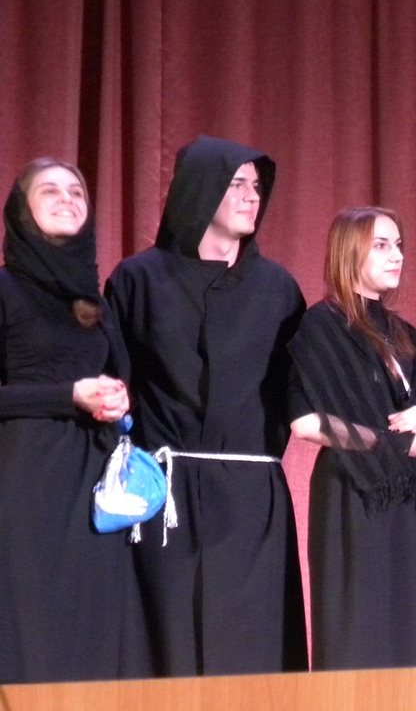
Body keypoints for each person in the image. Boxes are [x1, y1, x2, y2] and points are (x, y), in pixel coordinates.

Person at [105, 135, 308, 675]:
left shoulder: (278, 289)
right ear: (200, 188)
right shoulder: (138, 280)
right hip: (163, 494)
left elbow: (301, 391)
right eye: (236, 184)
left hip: (250, 498)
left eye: (256, 186)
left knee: (250, 649)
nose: (252, 196)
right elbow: (115, 385)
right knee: (163, 646)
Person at [0, 158, 151, 682]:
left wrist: (116, 398)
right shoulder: (5, 288)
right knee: (33, 627)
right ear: (21, 211)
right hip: (27, 484)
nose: (67, 199)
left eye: (77, 192)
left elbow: (118, 377)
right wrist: (69, 396)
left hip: (94, 486)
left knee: (93, 631)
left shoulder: (94, 302)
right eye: (50, 191)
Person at [287, 207, 416, 669]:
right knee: (362, 634)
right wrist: (390, 443)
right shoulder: (321, 327)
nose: (396, 255)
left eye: (398, 245)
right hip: (355, 496)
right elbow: (305, 423)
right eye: (381, 245)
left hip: (415, 501)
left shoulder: (408, 335)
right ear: (349, 251)